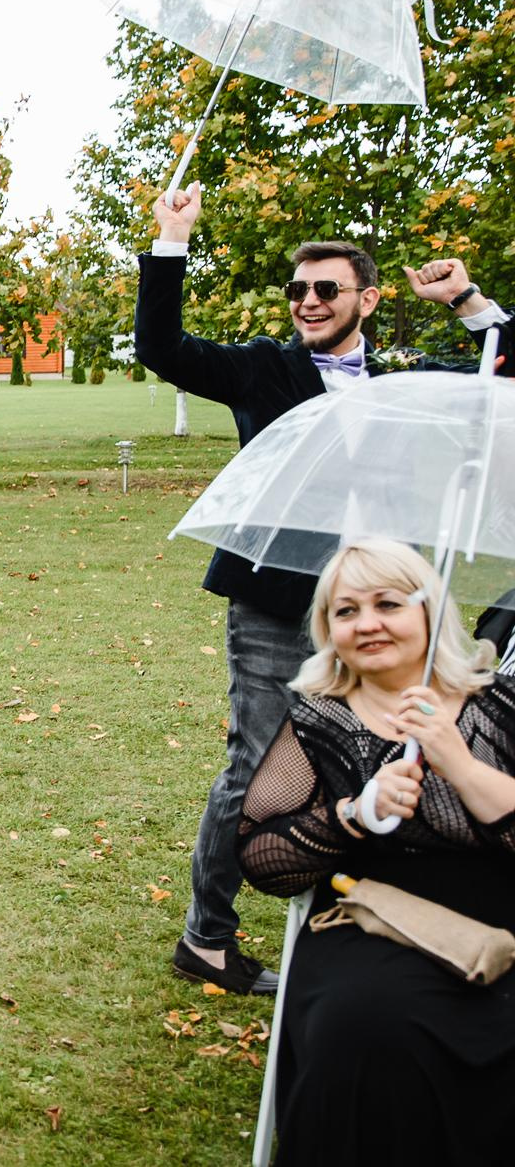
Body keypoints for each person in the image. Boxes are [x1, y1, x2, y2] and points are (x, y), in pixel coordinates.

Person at [135, 182, 512, 994]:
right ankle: (207, 936)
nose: (308, 301)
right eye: (298, 290)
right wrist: (171, 242)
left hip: (380, 612)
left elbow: (500, 370)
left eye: (326, 288)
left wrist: (470, 300)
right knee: (256, 766)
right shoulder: (264, 367)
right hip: (277, 604)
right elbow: (163, 347)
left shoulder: (404, 378)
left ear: (366, 298)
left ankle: (361, 915)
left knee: (387, 753)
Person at [238, 539, 515, 1165]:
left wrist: (460, 764)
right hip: (372, 923)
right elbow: (259, 854)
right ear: (327, 629)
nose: (366, 623)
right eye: (346, 610)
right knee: (364, 1026)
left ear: (429, 612)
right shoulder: (321, 720)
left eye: (388, 603)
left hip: (503, 919)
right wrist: (356, 814)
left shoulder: (499, 706)